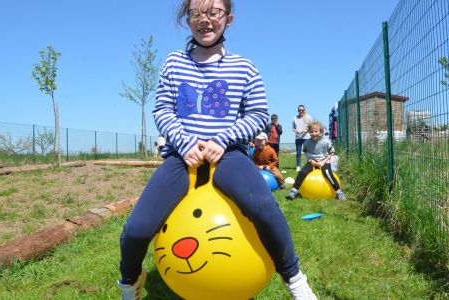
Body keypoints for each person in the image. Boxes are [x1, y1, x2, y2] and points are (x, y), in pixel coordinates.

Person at [118, 1, 318, 299]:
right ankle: (129, 281)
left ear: (229, 18)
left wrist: (222, 140)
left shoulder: (244, 67)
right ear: (187, 20)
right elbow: (162, 110)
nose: (205, 20)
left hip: (227, 155)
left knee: (264, 208)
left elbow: (258, 115)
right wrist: (185, 144)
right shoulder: (174, 62)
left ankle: (294, 278)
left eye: (214, 12)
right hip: (181, 157)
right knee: (136, 229)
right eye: (197, 13)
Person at [286, 121, 346, 201]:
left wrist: (323, 162)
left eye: (316, 131)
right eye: (311, 132)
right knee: (302, 172)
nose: (314, 133)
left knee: (327, 173)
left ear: (320, 132)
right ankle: (294, 191)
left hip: (324, 161)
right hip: (312, 161)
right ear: (309, 132)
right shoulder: (307, 142)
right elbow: (305, 152)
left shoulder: (326, 142)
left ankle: (339, 192)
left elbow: (332, 153)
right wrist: (311, 161)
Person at [292, 105, 313, 171]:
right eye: (299, 110)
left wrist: (306, 130)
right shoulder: (294, 118)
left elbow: (311, 126)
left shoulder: (308, 117)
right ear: (298, 110)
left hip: (306, 137)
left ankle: (309, 165)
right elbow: (293, 128)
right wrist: (296, 130)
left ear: (304, 110)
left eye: (302, 110)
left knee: (307, 152)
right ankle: (298, 166)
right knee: (298, 152)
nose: (301, 111)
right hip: (298, 138)